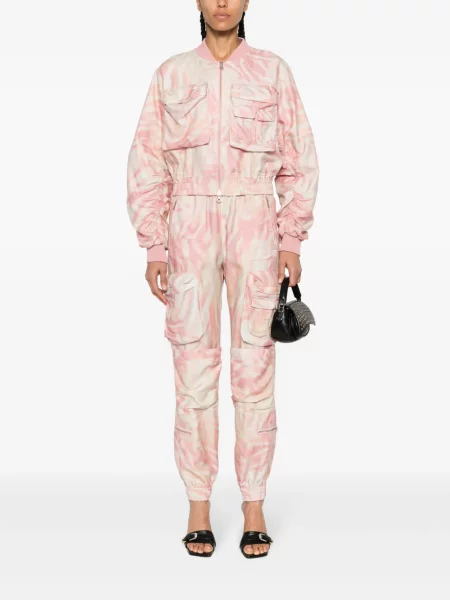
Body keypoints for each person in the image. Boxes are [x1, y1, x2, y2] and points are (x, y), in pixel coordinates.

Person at [126, 0, 319, 558]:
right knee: (193, 363)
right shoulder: (171, 74)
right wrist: (155, 244)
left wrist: (290, 238)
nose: (222, 2)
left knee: (254, 364)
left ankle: (254, 503)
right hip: (188, 225)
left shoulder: (273, 71)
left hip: (255, 223)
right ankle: (198, 504)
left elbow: (299, 158)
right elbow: (147, 161)